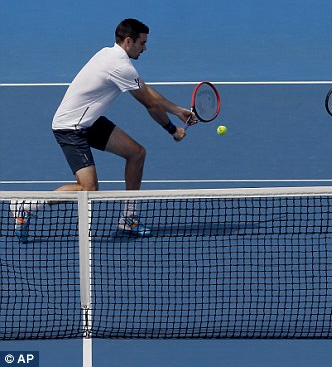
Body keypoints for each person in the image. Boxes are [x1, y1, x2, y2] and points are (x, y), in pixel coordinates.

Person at [11, 18, 196, 240]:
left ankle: (128, 219)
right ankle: (25, 205)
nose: (145, 48)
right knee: (87, 189)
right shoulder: (120, 66)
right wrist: (171, 129)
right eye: (142, 43)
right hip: (70, 127)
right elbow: (150, 104)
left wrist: (177, 110)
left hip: (89, 120)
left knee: (137, 154)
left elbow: (146, 91)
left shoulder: (111, 55)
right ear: (129, 41)